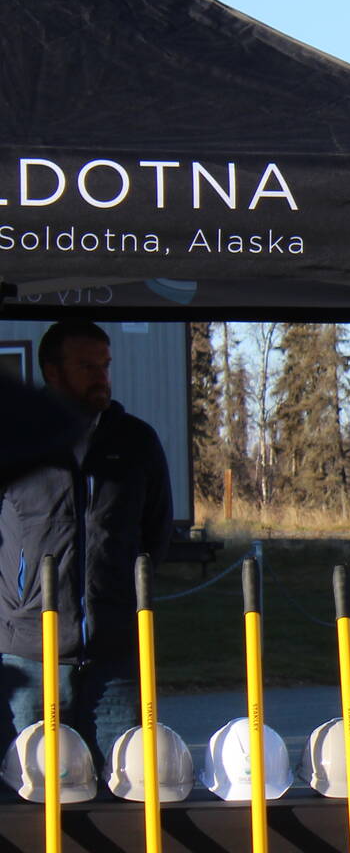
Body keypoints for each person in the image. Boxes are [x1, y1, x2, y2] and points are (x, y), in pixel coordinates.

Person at [0, 319, 173, 771]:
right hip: (30, 656)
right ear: (52, 372)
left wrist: (122, 598)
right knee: (31, 795)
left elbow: (156, 532)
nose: (101, 376)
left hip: (114, 657)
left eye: (105, 365)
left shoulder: (136, 442)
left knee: (122, 785)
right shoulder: (15, 442)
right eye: (86, 366)